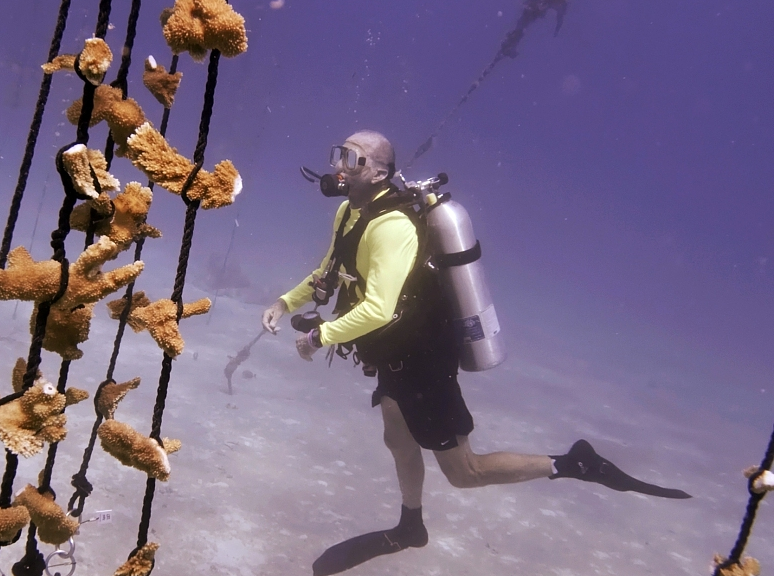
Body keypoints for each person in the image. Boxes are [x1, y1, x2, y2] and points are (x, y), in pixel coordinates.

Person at [261, 130, 690, 576]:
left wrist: (319, 337)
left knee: (465, 472)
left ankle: (573, 463)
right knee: (398, 438)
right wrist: (284, 302)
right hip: (391, 354)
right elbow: (329, 270)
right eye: (339, 154)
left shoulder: (393, 227)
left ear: (381, 172)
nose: (341, 166)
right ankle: (411, 526)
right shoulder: (348, 211)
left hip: (424, 362)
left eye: (354, 158)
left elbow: (378, 308)